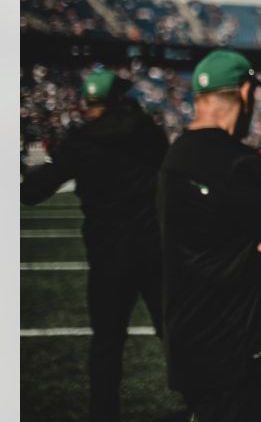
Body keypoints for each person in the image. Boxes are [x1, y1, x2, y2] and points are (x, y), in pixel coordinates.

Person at [159, 50, 261, 422]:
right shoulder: (240, 163)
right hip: (233, 339)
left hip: (185, 334)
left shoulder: (173, 155)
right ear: (244, 92)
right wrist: (259, 249)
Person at [21, 68, 168, 422]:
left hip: (108, 254)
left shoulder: (83, 141)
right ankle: (204, 403)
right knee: (174, 333)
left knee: (107, 343)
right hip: (154, 249)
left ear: (88, 103)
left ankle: (103, 414)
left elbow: (34, 191)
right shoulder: (146, 132)